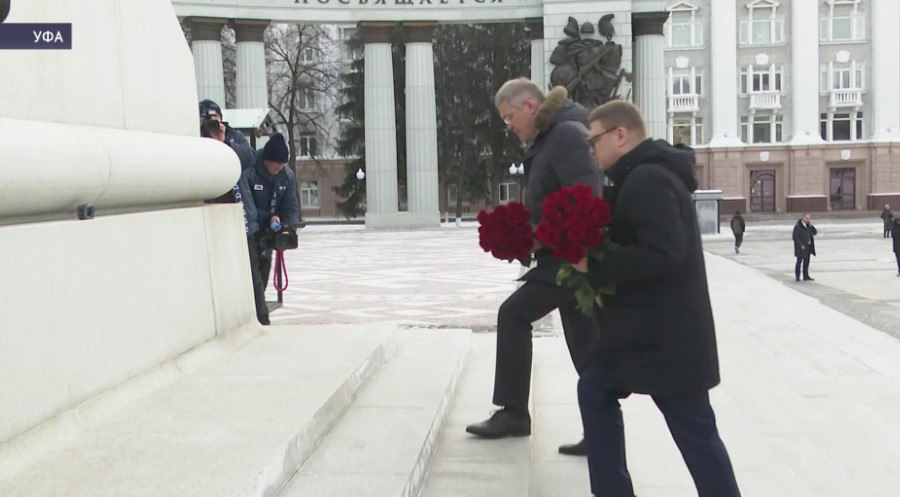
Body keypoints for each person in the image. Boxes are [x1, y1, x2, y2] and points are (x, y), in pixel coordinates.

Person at [573, 100, 741, 497]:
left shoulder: (648, 179)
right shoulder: (640, 176)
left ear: (620, 134)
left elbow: (664, 253)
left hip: (667, 342)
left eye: (594, 140)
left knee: (696, 434)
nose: (591, 150)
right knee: (595, 389)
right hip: (648, 337)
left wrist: (594, 265)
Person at [464, 78, 603, 457]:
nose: (508, 126)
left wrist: (547, 239)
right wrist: (522, 234)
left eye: (509, 117)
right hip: (563, 255)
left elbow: (586, 197)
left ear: (528, 105)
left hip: (569, 259)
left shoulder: (565, 135)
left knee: (513, 314)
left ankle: (513, 413)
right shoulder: (551, 136)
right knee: (587, 347)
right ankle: (601, 430)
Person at [199, 107, 270, 326]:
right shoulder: (197, 141)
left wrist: (224, 143)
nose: (212, 125)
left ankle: (261, 317)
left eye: (216, 120)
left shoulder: (232, 137)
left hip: (241, 217)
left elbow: (249, 157)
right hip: (213, 216)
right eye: (207, 121)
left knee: (252, 271)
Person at [239, 132, 301, 289]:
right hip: (250, 230)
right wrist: (268, 217)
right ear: (267, 159)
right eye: (277, 163)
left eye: (283, 164)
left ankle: (260, 300)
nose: (280, 167)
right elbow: (246, 206)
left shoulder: (287, 176)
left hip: (270, 232)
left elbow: (290, 205)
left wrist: (288, 228)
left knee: (263, 274)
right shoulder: (249, 171)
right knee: (251, 275)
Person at [199, 99, 255, 171]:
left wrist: (225, 142)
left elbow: (250, 159)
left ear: (221, 118)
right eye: (206, 119)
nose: (211, 122)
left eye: (215, 116)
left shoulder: (233, 135)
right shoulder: (196, 137)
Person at [792, 213, 817, 282]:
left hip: (808, 246)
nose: (807, 219)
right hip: (801, 247)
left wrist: (811, 226)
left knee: (806, 262)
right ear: (803, 218)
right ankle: (797, 276)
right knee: (799, 261)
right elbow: (795, 237)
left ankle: (806, 276)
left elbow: (814, 233)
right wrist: (800, 245)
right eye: (806, 218)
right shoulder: (798, 226)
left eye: (809, 218)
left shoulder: (808, 226)